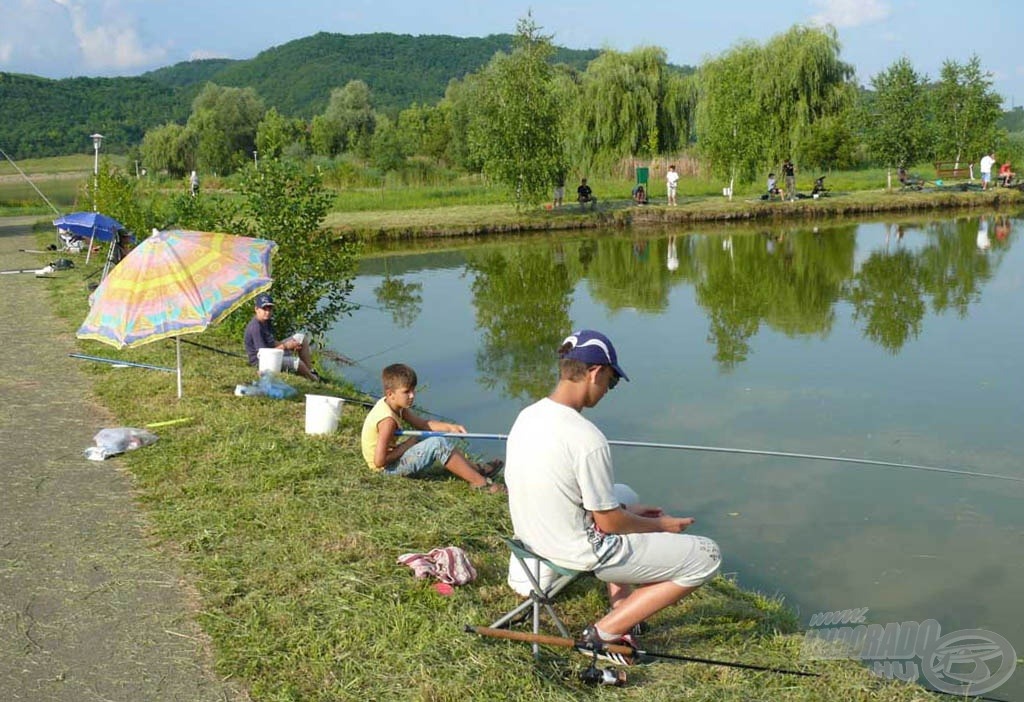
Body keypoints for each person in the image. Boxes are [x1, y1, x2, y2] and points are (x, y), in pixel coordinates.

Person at [504, 330, 721, 661]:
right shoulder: (587, 438)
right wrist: (662, 525)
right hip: (574, 549)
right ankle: (603, 635)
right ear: (594, 372)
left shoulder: (528, 416)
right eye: (611, 381)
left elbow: (567, 492)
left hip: (531, 537)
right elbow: (610, 522)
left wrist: (627, 509)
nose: (608, 390)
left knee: (624, 494)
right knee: (706, 556)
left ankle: (626, 612)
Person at [360, 363, 505, 493]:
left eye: (413, 390)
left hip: (388, 462)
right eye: (406, 392)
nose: (412, 395)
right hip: (385, 470)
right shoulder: (387, 421)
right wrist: (407, 444)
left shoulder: (394, 405)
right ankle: (480, 483)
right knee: (437, 444)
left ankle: (476, 469)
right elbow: (379, 461)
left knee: (430, 436)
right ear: (390, 394)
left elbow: (423, 425)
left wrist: (450, 428)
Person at [243, 292, 320, 382]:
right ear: (256, 309)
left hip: (272, 353)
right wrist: (286, 346)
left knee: (300, 337)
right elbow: (264, 355)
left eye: (270, 309)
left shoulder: (266, 321)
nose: (267, 312)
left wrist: (292, 344)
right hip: (261, 362)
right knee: (297, 362)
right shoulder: (255, 327)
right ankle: (314, 379)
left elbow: (272, 342)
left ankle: (310, 371)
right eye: (264, 309)